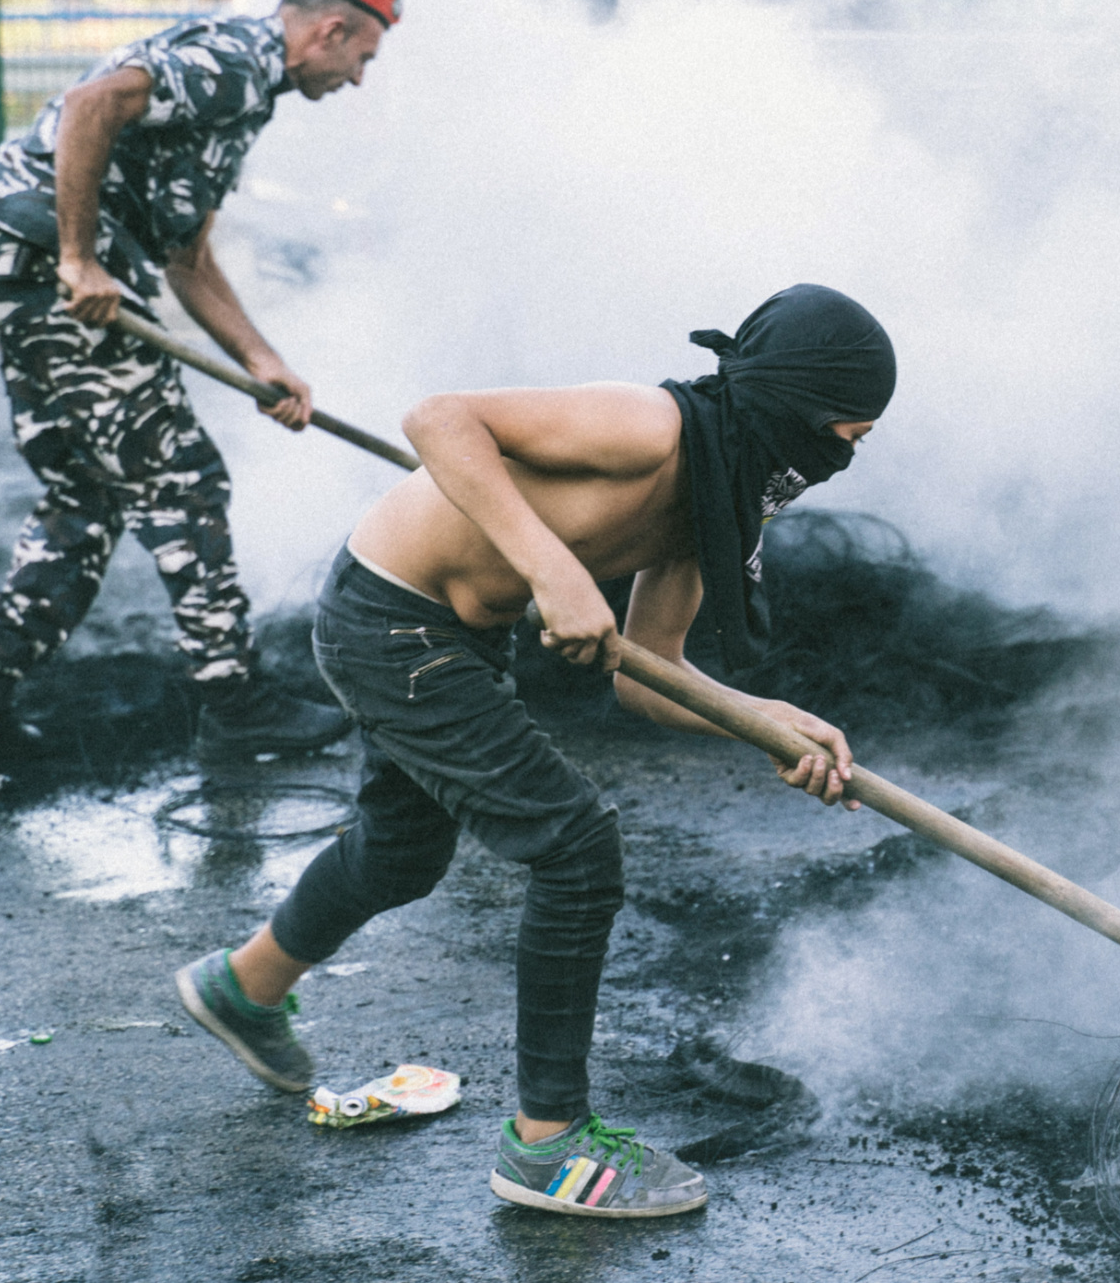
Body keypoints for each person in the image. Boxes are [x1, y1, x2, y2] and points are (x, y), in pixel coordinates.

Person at [174, 284, 895, 1219]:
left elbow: (648, 676)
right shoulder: (651, 428)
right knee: (575, 848)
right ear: (793, 406)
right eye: (841, 434)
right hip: (388, 620)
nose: (839, 460)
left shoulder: (717, 501)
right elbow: (441, 419)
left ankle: (244, 988)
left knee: (402, 847)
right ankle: (547, 1144)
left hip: (451, 638)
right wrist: (553, 569)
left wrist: (766, 724)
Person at [0, 0, 401, 762]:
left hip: (27, 257)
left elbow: (187, 258)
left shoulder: (243, 100)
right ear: (331, 29)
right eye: (362, 58)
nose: (358, 78)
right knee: (182, 477)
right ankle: (232, 699)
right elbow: (92, 104)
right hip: (51, 264)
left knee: (86, 496)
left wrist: (264, 361)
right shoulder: (232, 61)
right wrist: (79, 257)